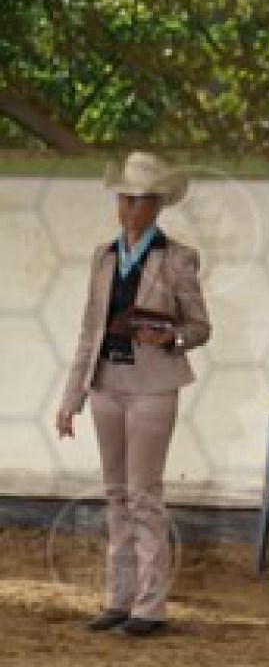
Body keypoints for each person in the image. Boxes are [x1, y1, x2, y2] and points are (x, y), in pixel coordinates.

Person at [54, 153, 212, 638]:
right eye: (124, 199)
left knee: (144, 494)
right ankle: (117, 599)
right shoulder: (103, 257)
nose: (130, 209)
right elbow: (89, 331)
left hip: (153, 385)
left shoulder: (178, 258)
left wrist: (171, 337)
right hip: (106, 383)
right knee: (116, 494)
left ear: (157, 205)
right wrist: (71, 399)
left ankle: (150, 605)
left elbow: (200, 327)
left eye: (140, 201)